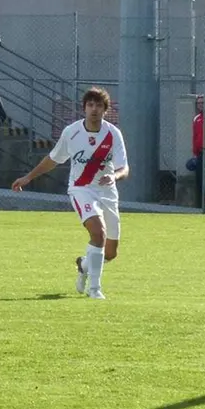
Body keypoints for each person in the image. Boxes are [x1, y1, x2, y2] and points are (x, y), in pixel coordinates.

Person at [12, 87, 128, 300]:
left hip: (107, 192)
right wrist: (28, 177)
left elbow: (124, 167)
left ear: (105, 110)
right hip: (81, 189)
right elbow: (53, 159)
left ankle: (84, 265)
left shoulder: (113, 133)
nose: (94, 109)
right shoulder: (71, 132)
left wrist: (115, 177)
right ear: (84, 108)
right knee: (98, 233)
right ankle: (95, 289)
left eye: (99, 105)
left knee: (110, 252)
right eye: (90, 105)